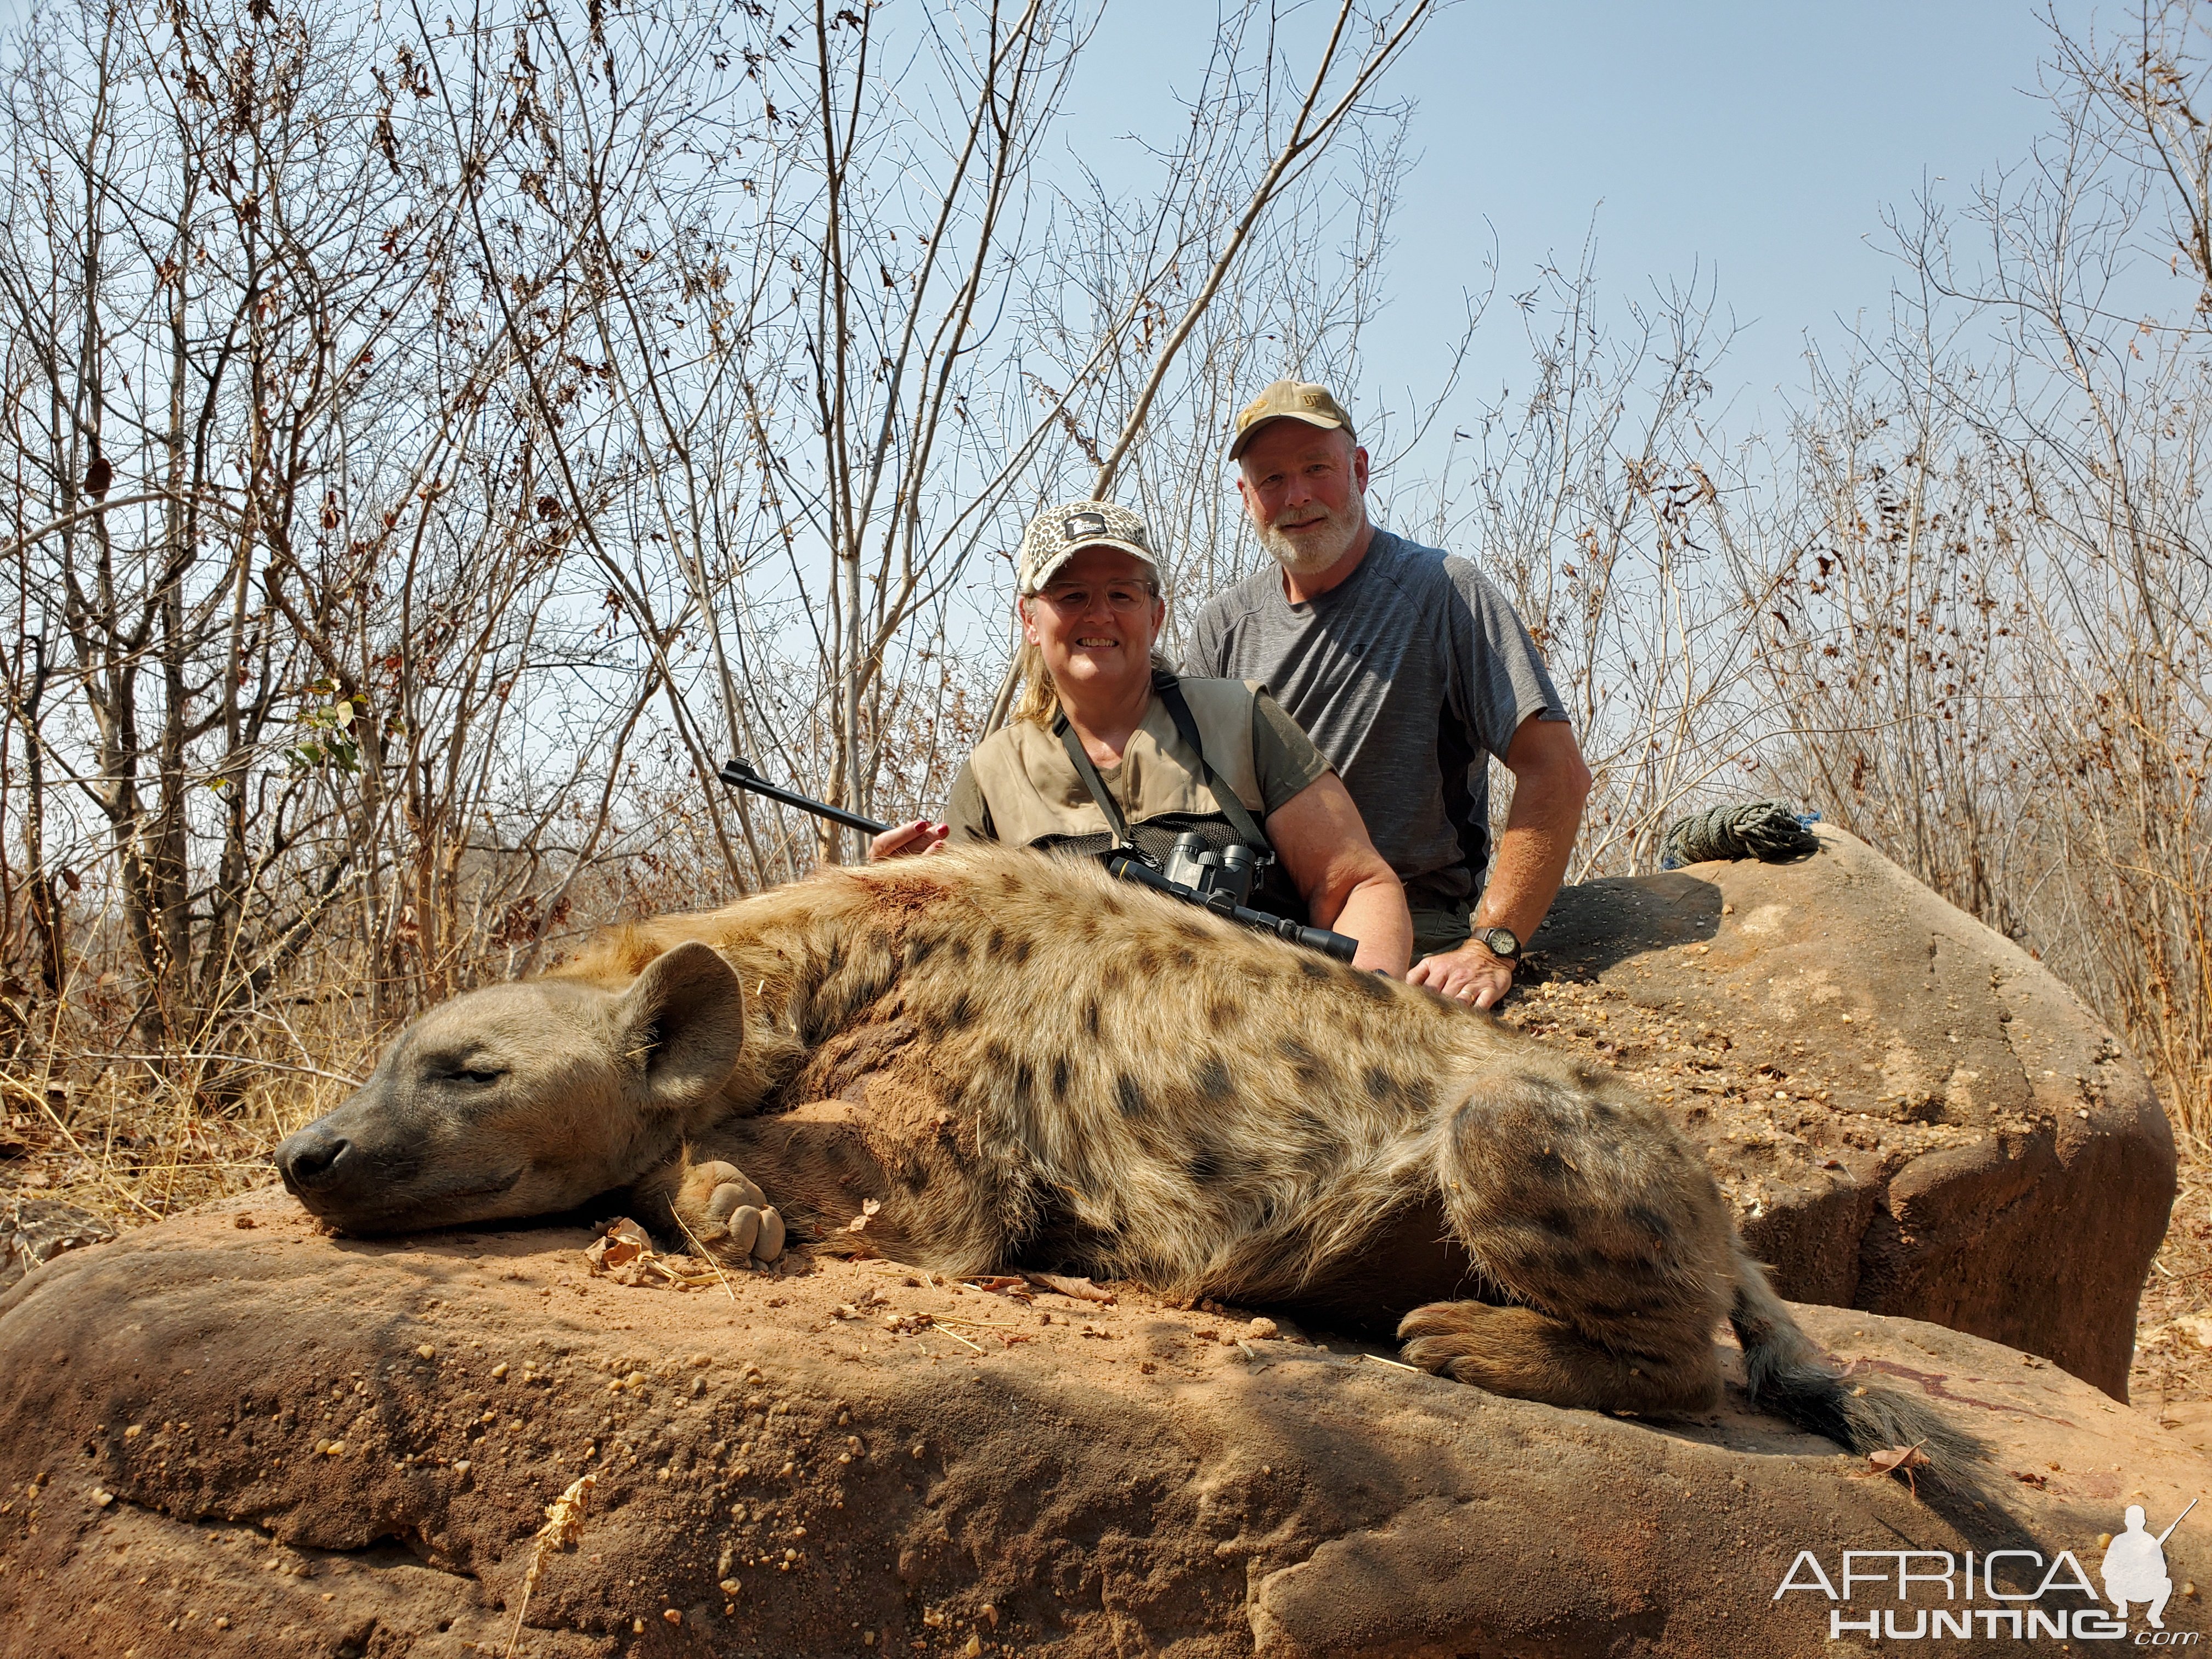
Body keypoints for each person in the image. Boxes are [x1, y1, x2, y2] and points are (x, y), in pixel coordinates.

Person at [1183, 379, 1593, 1008]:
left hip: (1415, 922)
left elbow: (1557, 772)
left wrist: (1494, 946)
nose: (1297, 497)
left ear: (1360, 469)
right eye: (1271, 480)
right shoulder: (1220, 628)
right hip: (1262, 930)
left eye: (1316, 468)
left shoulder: (1445, 592)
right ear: (1246, 497)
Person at [872, 499, 1412, 975]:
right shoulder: (992, 774)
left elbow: (1359, 886)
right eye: (1072, 595)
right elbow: (949, 954)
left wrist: (1364, 1013)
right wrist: (894, 898)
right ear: (1030, 619)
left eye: (1122, 595)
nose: (1099, 614)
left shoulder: (1242, 719)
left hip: (1250, 1046)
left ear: (1155, 616)